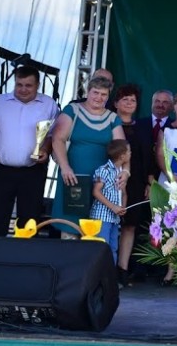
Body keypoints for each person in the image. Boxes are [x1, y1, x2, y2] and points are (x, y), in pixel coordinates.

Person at [0, 65, 59, 242]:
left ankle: (25, 257)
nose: (23, 89)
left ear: (38, 85)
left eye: (28, 85)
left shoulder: (49, 104)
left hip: (33, 171)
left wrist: (45, 149)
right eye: (19, 84)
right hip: (1, 170)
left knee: (30, 221)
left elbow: (52, 135)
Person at [50, 75, 125, 236]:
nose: (99, 97)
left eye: (103, 94)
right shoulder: (72, 110)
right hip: (73, 176)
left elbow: (122, 149)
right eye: (95, 92)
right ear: (88, 91)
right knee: (70, 227)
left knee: (97, 230)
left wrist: (126, 171)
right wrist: (65, 167)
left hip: (102, 181)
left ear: (108, 96)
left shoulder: (113, 118)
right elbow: (57, 139)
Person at [113, 85, 151, 287]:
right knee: (110, 225)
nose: (129, 103)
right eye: (125, 99)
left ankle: (122, 270)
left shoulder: (143, 127)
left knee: (130, 226)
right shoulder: (109, 123)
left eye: (133, 100)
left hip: (136, 182)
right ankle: (106, 269)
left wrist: (149, 182)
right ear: (116, 103)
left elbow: (148, 156)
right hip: (111, 181)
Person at [91, 139, 131, 264]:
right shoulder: (104, 170)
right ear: (122, 156)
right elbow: (96, 191)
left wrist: (123, 206)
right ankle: (99, 275)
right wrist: (113, 207)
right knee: (101, 248)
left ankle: (110, 274)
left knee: (113, 248)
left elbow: (123, 193)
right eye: (129, 151)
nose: (130, 154)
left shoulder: (121, 173)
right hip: (102, 217)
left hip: (114, 218)